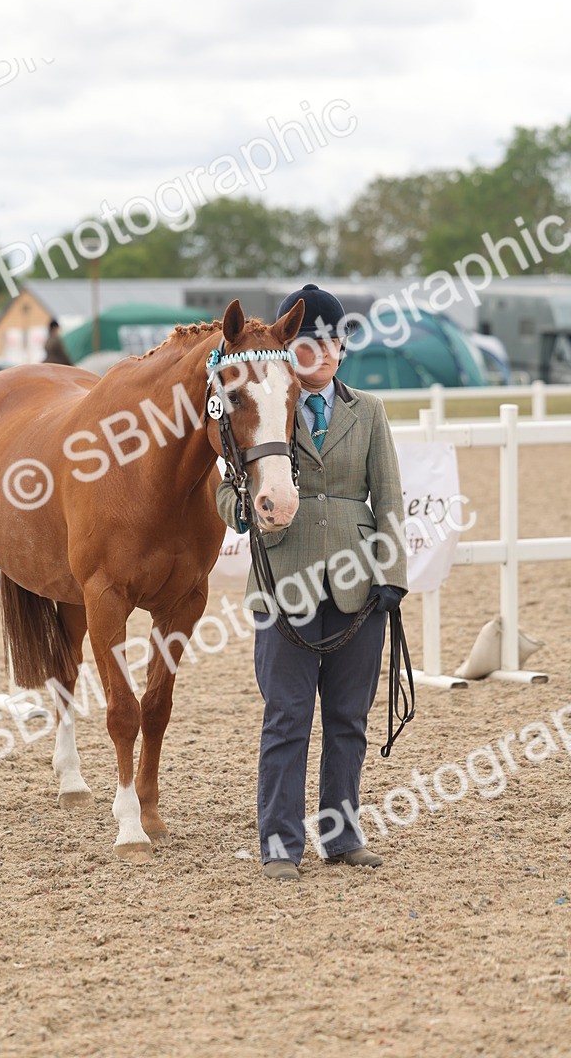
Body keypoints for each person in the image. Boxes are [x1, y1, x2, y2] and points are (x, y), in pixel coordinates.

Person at [215, 284, 408, 881]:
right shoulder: (261, 403)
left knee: (350, 718)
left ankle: (342, 833)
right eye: (306, 342)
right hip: (285, 577)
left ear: (343, 349)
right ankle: (279, 841)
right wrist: (245, 510)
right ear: (288, 349)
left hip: (357, 584)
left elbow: (391, 497)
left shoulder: (368, 411)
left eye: (331, 341)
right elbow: (225, 489)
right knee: (287, 715)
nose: (320, 352)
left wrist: (392, 576)